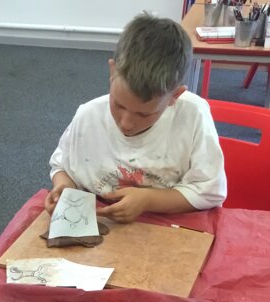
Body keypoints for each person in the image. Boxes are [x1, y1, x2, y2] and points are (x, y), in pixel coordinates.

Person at [46, 13, 227, 224]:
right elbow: (61, 166)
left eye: (144, 114)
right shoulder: (88, 115)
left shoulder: (193, 116)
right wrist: (64, 188)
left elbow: (210, 191)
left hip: (168, 224)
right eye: (118, 105)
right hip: (100, 223)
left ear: (174, 96)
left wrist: (148, 200)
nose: (126, 123)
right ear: (112, 71)